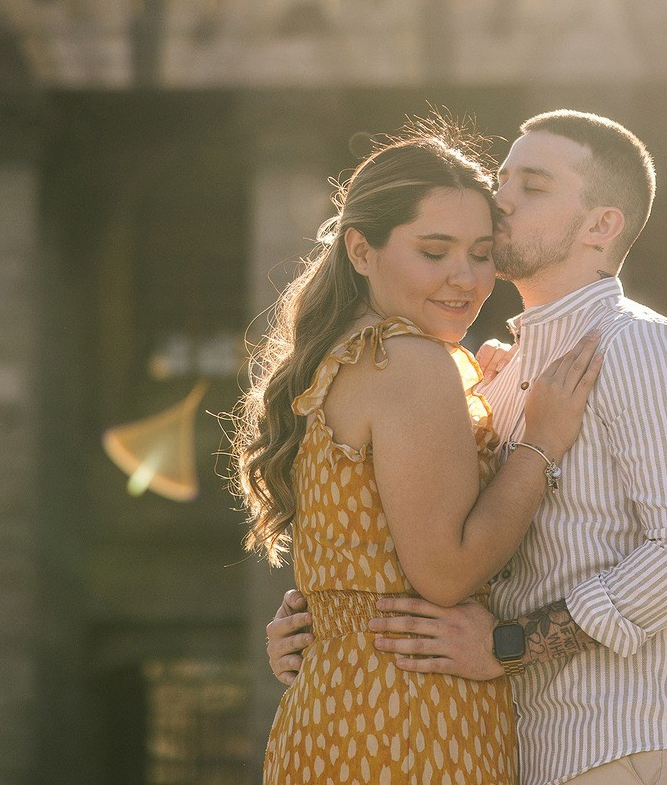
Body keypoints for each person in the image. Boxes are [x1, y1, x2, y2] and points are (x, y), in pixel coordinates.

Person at [267, 110, 667, 785]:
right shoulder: (494, 374)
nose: (503, 199)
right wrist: (331, 614)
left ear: (601, 225)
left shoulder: (638, 346)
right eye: (503, 179)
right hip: (523, 745)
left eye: (533, 186)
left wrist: (511, 643)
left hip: (629, 739)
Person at [227, 120, 604, 785]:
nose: (465, 278)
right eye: (434, 252)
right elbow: (447, 574)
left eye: (482, 253)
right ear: (361, 250)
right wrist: (540, 443)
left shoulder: (343, 356)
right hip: (412, 718)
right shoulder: (411, 361)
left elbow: (363, 549)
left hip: (332, 714)